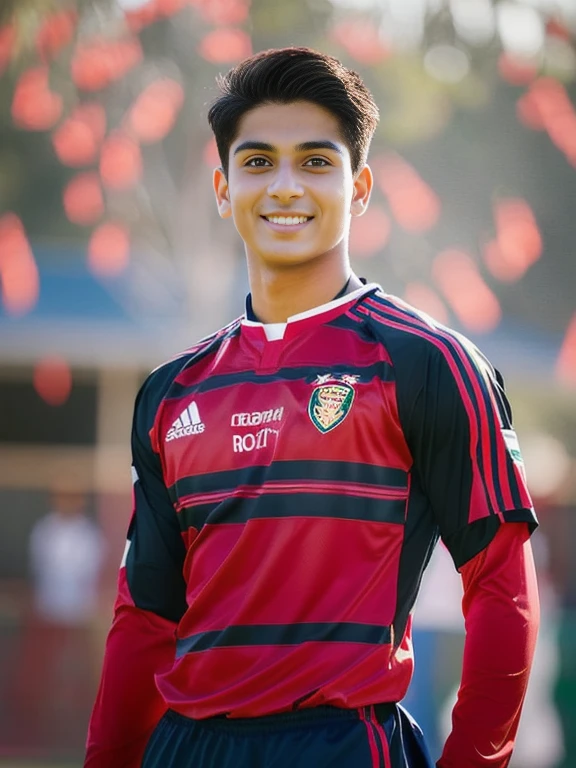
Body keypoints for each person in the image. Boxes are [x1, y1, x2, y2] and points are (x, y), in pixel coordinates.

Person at [85, 47, 540, 768]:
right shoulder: (171, 392)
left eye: (316, 162)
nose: (285, 186)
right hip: (184, 748)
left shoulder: (428, 364)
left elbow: (500, 589)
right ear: (223, 188)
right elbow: (146, 617)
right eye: (259, 161)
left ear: (359, 187)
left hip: (341, 745)